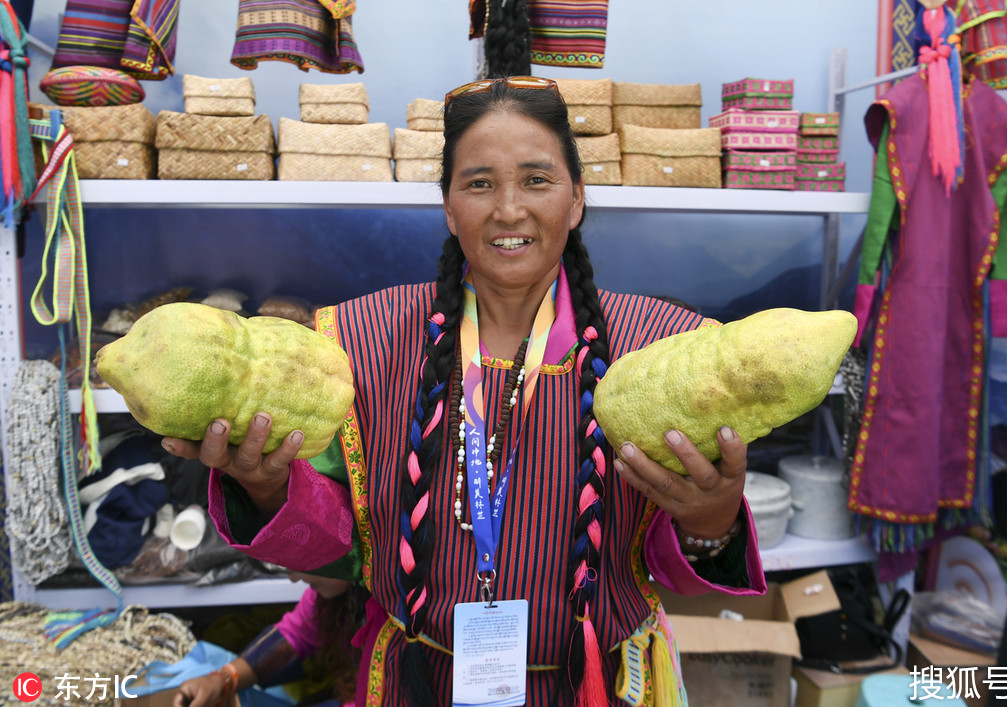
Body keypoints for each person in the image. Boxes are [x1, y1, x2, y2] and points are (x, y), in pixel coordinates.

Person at [162, 75, 767, 706]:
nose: (508, 209)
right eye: (479, 183)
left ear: (578, 198)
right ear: (449, 207)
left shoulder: (656, 348)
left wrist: (710, 519)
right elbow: (335, 558)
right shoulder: (364, 342)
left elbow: (683, 580)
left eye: (537, 179)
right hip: (417, 686)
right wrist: (264, 486)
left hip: (598, 689)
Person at [172, 569, 370, 707]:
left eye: (304, 553)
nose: (292, 577)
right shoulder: (339, 597)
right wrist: (223, 679)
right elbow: (297, 633)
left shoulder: (393, 614)